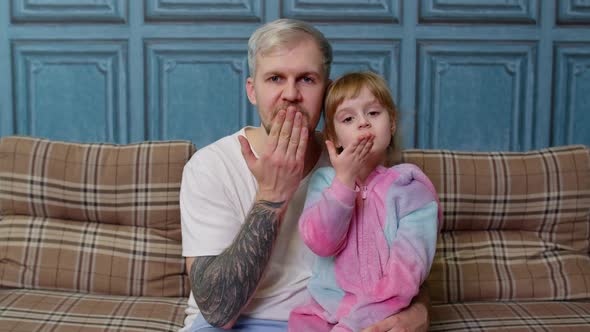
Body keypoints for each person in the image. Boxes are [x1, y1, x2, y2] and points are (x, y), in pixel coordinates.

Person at [179, 18, 431, 332]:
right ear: (252, 90)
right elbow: (218, 312)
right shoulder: (210, 166)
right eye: (274, 78)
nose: (290, 94)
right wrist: (271, 198)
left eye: (307, 80)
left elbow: (405, 259)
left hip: (324, 323)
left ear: (326, 91)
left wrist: (419, 311)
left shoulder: (354, 160)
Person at [288, 72, 441, 332]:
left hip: (386, 315)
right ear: (334, 138)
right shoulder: (324, 183)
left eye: (373, 113)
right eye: (348, 118)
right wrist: (344, 182)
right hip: (322, 313)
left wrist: (356, 322)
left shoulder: (412, 189)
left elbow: (408, 271)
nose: (363, 123)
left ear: (391, 124)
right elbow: (320, 243)